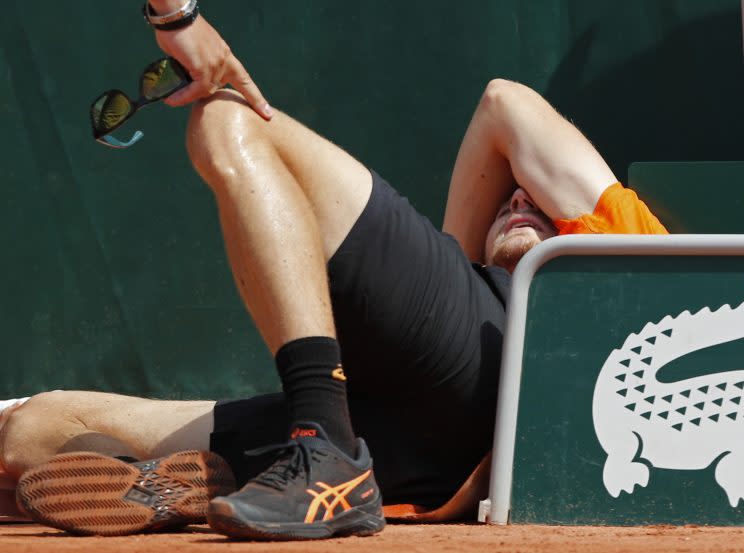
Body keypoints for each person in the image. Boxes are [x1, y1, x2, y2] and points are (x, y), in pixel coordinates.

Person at [3, 76, 666, 538]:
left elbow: (506, 104)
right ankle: (218, 480)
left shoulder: (639, 263)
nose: (518, 198)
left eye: (538, 202)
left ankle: (319, 442)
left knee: (227, 116)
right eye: (508, 197)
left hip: (482, 355)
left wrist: (447, 273)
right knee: (33, 431)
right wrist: (445, 286)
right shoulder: (463, 295)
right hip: (408, 455)